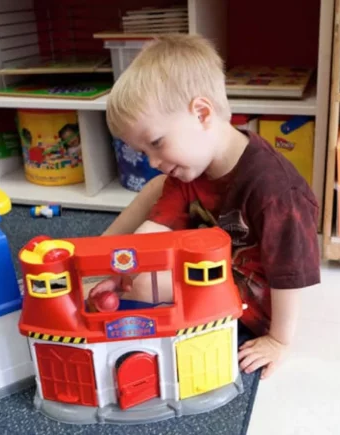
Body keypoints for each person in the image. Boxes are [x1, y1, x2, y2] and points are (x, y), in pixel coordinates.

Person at [94, 34, 321, 379]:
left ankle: (109, 265)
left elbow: (288, 275)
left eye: (156, 143)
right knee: (157, 190)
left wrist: (278, 340)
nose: (152, 160)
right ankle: (96, 254)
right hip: (208, 251)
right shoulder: (191, 165)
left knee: (143, 285)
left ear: (202, 113)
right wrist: (115, 264)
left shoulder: (276, 191)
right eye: (144, 152)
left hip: (251, 290)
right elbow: (154, 229)